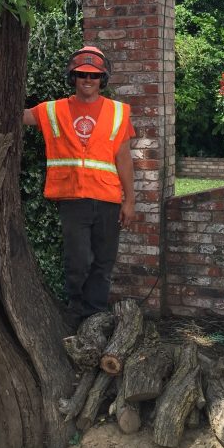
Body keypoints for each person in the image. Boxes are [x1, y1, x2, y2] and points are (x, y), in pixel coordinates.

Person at [23, 45, 136, 322]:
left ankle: (94, 316)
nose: (88, 80)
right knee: (78, 261)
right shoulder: (53, 111)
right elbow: (20, 116)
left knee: (103, 262)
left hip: (108, 199)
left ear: (102, 79)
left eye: (94, 76)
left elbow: (124, 159)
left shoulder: (118, 113)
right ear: (72, 77)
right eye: (82, 74)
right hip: (73, 200)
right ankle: (76, 311)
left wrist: (129, 201)